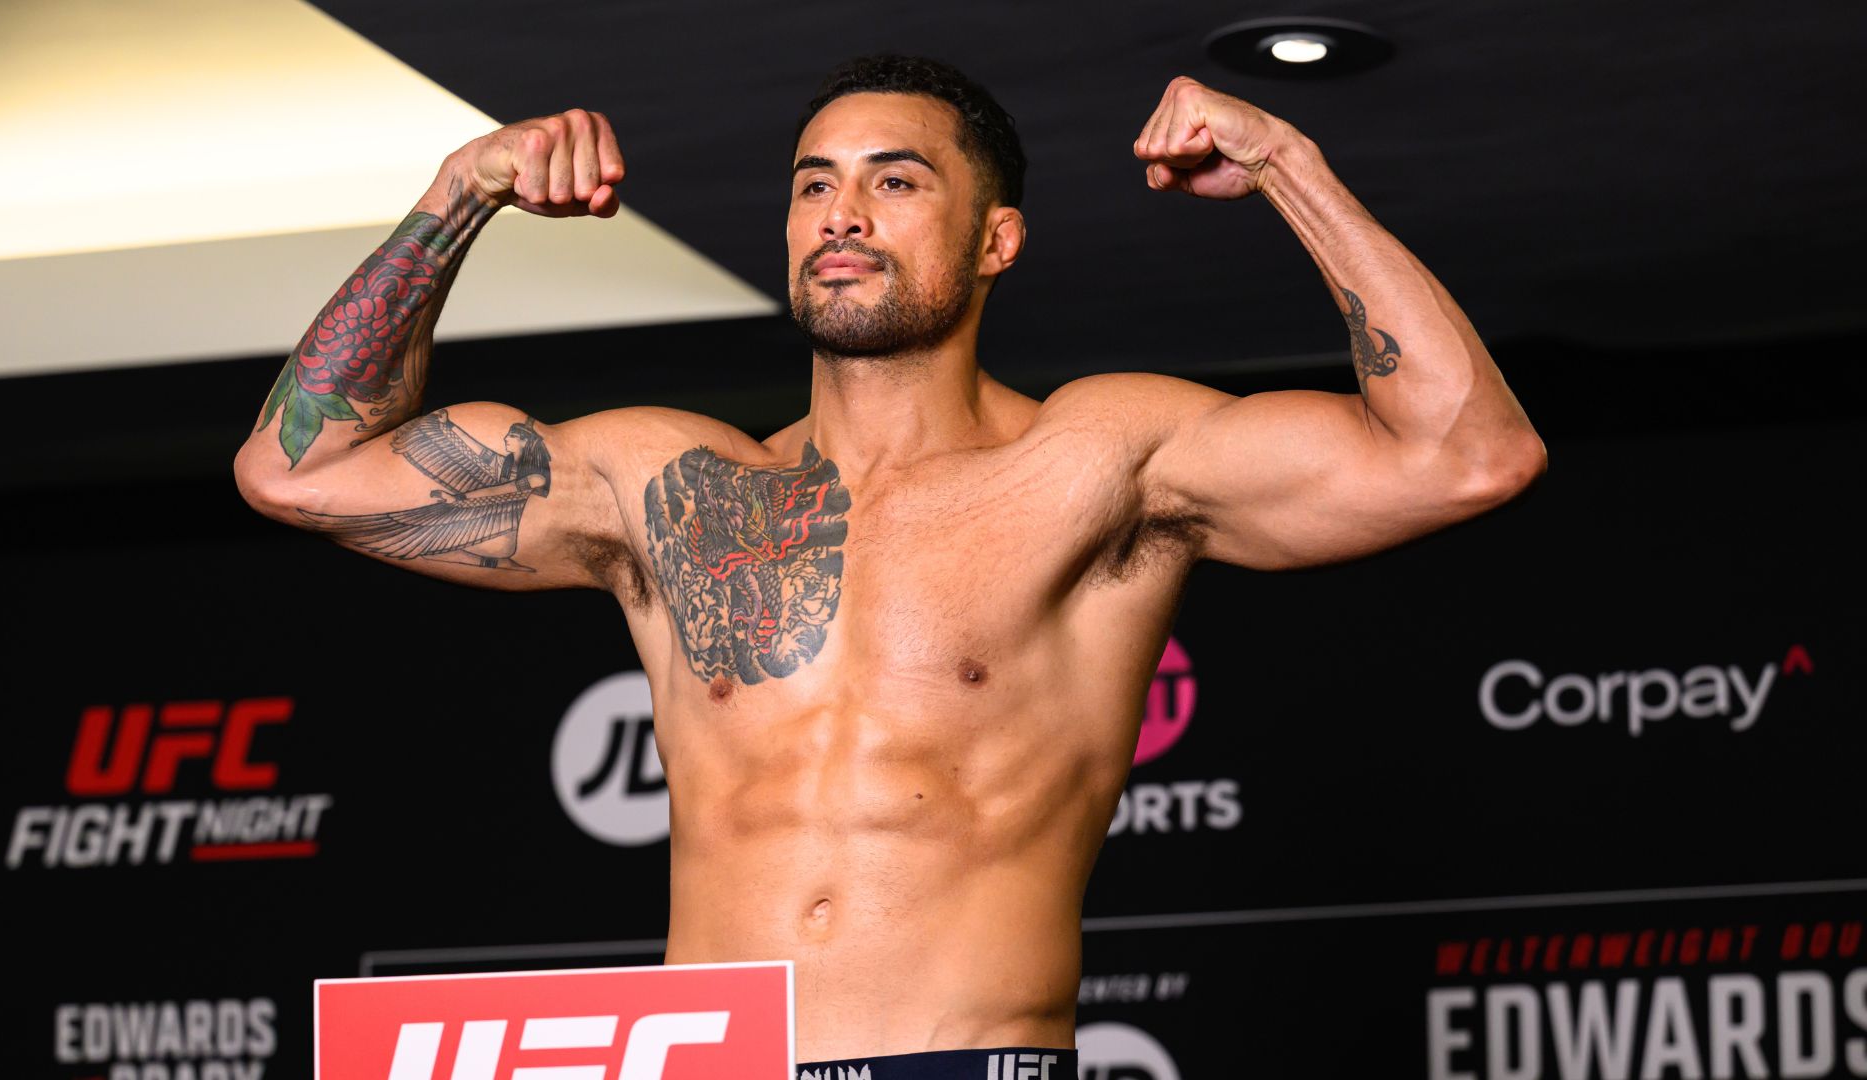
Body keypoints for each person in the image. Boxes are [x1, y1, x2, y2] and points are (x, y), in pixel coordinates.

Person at [235, 54, 1545, 1079]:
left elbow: (1469, 455)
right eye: (814, 182)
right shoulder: (670, 487)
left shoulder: (1104, 460)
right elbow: (301, 467)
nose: (841, 213)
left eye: (897, 180)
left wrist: (1289, 164)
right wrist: (460, 191)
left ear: (997, 242)